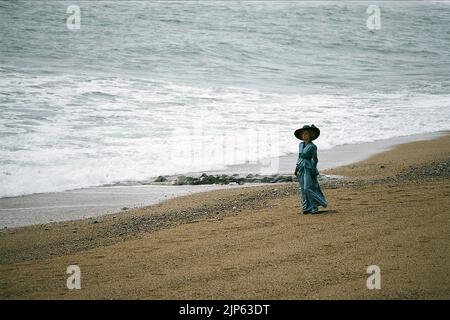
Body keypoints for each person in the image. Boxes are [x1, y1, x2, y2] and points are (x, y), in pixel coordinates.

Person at [294, 125, 328, 214]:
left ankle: (316, 205)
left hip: (308, 167)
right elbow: (299, 156)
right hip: (300, 166)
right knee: (302, 188)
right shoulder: (300, 144)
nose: (304, 135)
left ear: (310, 135)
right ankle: (305, 207)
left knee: (308, 188)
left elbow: (315, 159)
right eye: (303, 134)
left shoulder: (313, 146)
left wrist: (313, 170)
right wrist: (296, 167)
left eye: (306, 134)